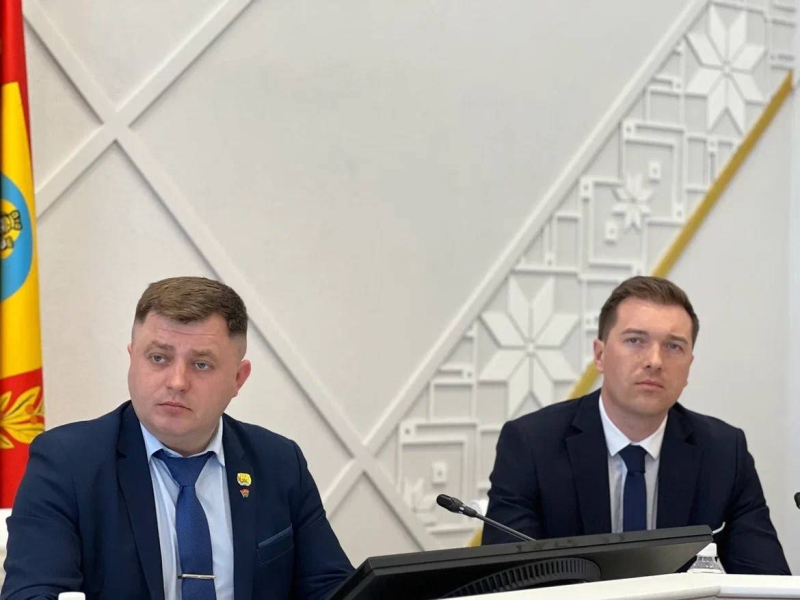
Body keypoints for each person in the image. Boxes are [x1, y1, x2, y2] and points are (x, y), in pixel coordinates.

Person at [2, 276, 354, 599]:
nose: (177, 382)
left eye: (201, 364)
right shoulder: (66, 463)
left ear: (238, 378)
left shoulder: (279, 463)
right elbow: (32, 592)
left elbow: (330, 588)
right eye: (158, 358)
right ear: (132, 360)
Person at [482, 276, 789, 575]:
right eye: (635, 340)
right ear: (600, 355)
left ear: (688, 367)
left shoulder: (724, 452)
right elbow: (507, 581)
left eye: (673, 346)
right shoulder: (531, 444)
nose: (655, 361)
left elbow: (766, 581)